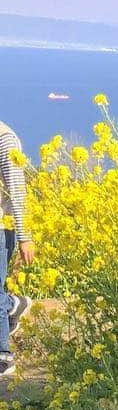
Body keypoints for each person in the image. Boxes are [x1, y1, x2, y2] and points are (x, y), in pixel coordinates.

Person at [0, 119, 35, 378]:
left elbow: (17, 189)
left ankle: (4, 356)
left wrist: (24, 236)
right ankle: (12, 304)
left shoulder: (5, 139)